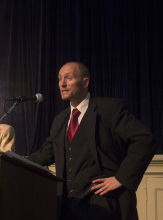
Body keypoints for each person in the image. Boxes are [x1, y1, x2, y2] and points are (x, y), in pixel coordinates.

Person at [28, 61, 157, 220]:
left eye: (68, 78)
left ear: (85, 82)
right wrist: (14, 160)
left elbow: (145, 140)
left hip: (105, 205)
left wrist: (121, 178)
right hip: (68, 207)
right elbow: (46, 153)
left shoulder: (109, 109)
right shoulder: (59, 121)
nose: (62, 83)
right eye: (59, 78)